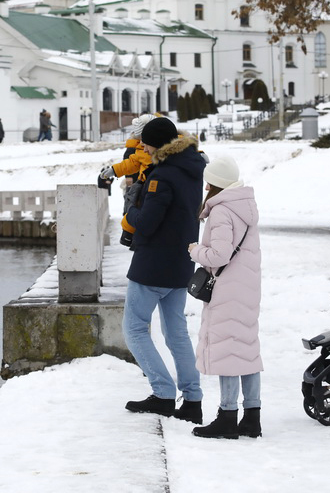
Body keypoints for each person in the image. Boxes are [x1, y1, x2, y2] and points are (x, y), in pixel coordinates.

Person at [122, 117, 206, 423]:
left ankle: (162, 393)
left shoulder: (163, 175)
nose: (141, 146)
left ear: (156, 143)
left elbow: (147, 222)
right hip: (182, 261)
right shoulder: (192, 166)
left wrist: (131, 207)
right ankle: (193, 399)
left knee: (133, 329)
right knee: (176, 332)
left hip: (153, 264)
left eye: (145, 141)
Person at [187, 155, 263, 439]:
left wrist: (195, 251)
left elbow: (219, 255)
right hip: (247, 287)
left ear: (217, 184)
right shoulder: (245, 206)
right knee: (246, 349)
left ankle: (227, 417)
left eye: (209, 184)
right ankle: (252, 419)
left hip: (227, 289)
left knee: (228, 351)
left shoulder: (221, 212)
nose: (206, 188)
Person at [99, 114, 155, 246]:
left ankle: (131, 235)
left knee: (139, 207)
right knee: (133, 206)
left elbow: (183, 147)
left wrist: (198, 154)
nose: (143, 144)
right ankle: (128, 235)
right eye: (140, 139)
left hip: (152, 184)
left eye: (144, 139)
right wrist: (115, 170)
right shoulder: (140, 149)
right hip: (143, 184)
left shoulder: (167, 145)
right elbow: (131, 162)